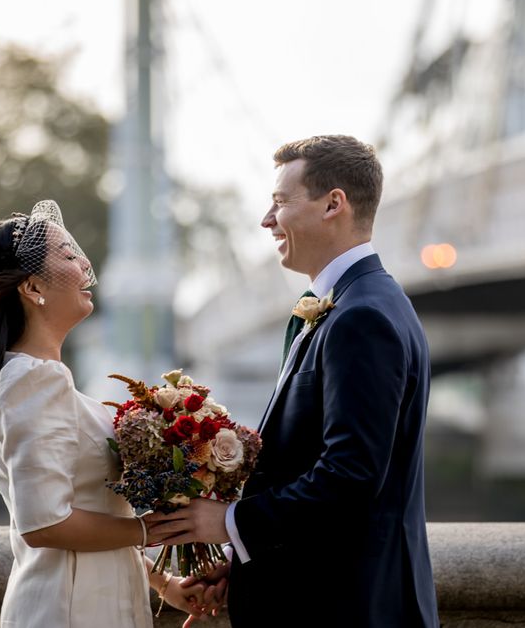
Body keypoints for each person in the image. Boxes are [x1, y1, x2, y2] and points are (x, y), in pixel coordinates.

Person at [147, 136, 441, 627]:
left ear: (334, 204)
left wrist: (229, 522)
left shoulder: (361, 317)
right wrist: (246, 560)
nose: (266, 220)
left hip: (348, 608)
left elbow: (351, 475)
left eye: (280, 202)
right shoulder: (363, 303)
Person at [0, 200, 209, 627]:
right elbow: (44, 523)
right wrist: (147, 530)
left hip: (92, 597)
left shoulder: (34, 376)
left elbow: (84, 506)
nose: (84, 265)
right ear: (32, 287)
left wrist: (162, 582)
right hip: (70, 608)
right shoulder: (33, 379)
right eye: (67, 256)